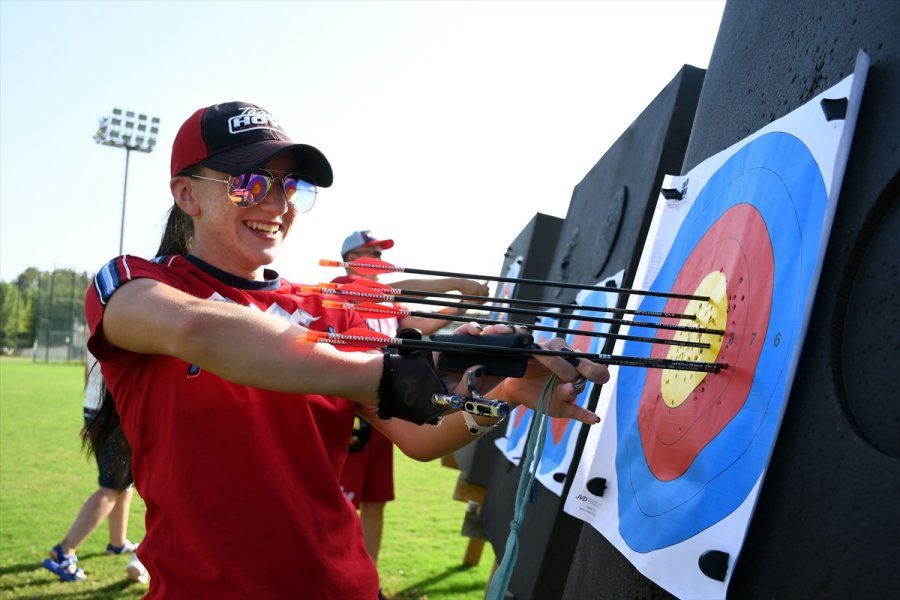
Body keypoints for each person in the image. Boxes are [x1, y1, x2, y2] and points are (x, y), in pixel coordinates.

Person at [83, 100, 607, 598]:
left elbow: (419, 438)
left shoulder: (329, 310)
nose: (276, 204)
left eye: (290, 187)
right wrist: (387, 371)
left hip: (342, 587)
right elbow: (196, 329)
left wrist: (507, 389)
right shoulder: (136, 283)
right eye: (249, 184)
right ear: (187, 195)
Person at [334, 230, 490, 572]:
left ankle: (369, 582)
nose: (376, 259)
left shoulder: (390, 303)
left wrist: (464, 304)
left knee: (375, 502)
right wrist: (457, 283)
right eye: (368, 252)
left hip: (386, 405)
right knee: (340, 503)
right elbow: (403, 285)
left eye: (379, 253)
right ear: (348, 259)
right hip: (349, 412)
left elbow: (420, 323)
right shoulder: (342, 288)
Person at [41, 351, 142, 583]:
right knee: (111, 487)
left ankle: (117, 543)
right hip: (114, 412)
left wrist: (93, 417)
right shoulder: (126, 323)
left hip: (96, 409)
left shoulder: (98, 321)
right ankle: (63, 552)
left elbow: (90, 371)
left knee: (123, 480)